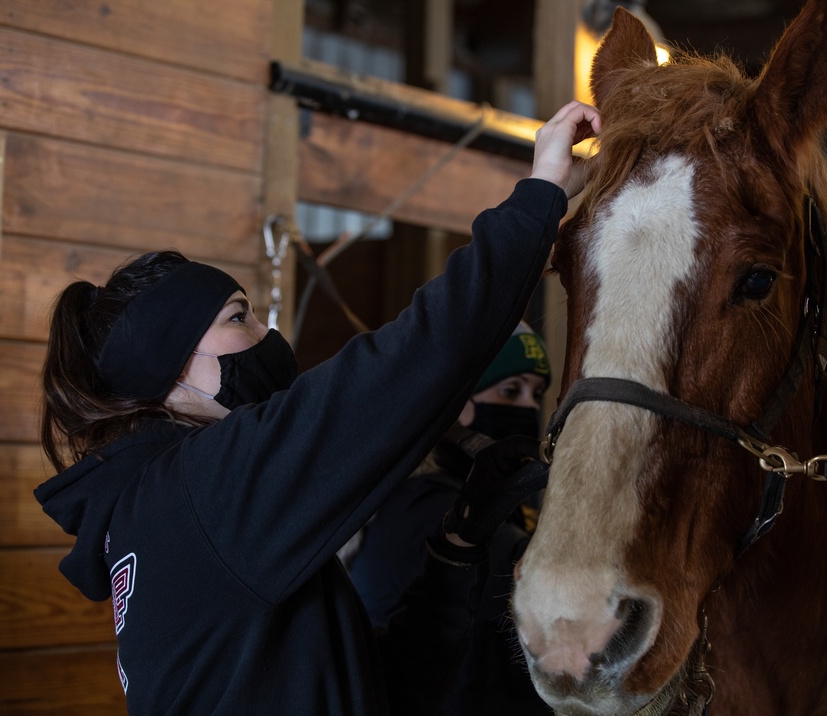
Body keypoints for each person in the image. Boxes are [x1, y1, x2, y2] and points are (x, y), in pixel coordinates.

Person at [32, 100, 602, 715]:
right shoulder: (201, 490)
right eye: (237, 317)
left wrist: (456, 550)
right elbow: (419, 357)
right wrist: (540, 194)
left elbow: (376, 692)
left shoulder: (171, 512)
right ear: (168, 371)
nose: (264, 335)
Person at [345, 322, 554, 714]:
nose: (529, 406)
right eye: (510, 390)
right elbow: (536, 575)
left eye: (536, 393)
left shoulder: (474, 498)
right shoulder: (418, 504)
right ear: (457, 402)